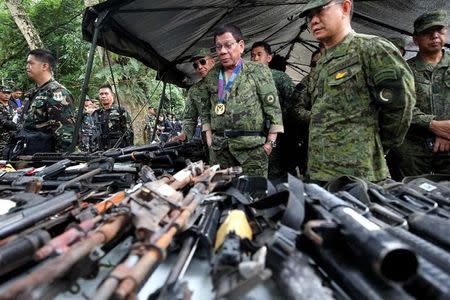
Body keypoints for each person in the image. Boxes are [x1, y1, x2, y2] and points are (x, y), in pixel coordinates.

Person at [298, 0, 415, 183]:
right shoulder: (322, 64)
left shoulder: (372, 49)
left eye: (320, 11)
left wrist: (372, 146)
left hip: (359, 174)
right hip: (319, 172)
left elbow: (400, 106)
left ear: (345, 7)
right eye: (309, 16)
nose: (313, 20)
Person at [193, 24, 283, 177]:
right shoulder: (212, 76)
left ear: (241, 46)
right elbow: (205, 108)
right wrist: (209, 137)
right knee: (222, 196)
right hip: (220, 151)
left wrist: (270, 143)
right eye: (218, 47)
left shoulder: (258, 71)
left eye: (228, 45)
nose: (222, 51)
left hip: (252, 150)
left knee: (254, 196)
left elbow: (273, 109)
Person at [392, 10, 450, 177]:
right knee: (410, 195)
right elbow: (399, 107)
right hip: (412, 152)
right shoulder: (403, 71)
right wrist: (433, 125)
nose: (435, 36)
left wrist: (447, 133)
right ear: (415, 39)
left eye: (439, 30)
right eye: (427, 32)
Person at [14, 49, 75, 155]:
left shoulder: (57, 93)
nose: (27, 67)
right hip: (27, 155)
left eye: (31, 63)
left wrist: (60, 163)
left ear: (44, 66)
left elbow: (66, 134)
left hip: (44, 159)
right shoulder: (33, 93)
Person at [251, 41, 295, 179]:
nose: (255, 58)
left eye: (259, 54)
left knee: (276, 170)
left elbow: (293, 102)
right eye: (252, 55)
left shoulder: (280, 77)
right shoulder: (247, 80)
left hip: (277, 134)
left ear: (269, 58)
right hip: (254, 134)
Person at [174, 48, 215, 142]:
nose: (200, 67)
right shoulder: (194, 91)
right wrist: (184, 135)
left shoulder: (227, 80)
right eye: (196, 65)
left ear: (212, 62)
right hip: (210, 139)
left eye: (202, 62)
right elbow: (189, 119)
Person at [92, 84, 134, 150]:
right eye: (101, 94)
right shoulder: (97, 113)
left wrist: (129, 149)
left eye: (106, 93)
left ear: (112, 95)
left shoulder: (121, 111)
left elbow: (129, 133)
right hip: (100, 151)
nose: (103, 96)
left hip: (118, 150)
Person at [0, 86, 17, 158]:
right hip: (1, 138)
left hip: (13, 137)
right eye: (4, 93)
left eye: (9, 93)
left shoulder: (13, 105)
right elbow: (2, 121)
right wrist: (17, 126)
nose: (7, 95)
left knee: (11, 157)